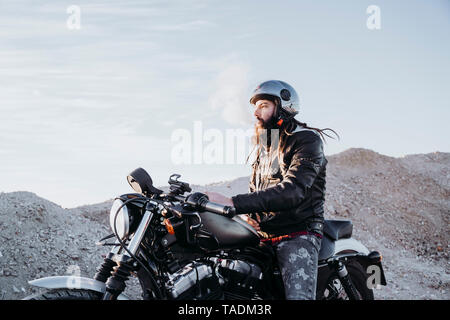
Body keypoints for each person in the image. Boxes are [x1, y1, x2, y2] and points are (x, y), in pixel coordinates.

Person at [205, 80, 338, 300]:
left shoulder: (306, 140)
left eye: (264, 105)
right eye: (255, 107)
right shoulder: (266, 144)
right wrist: (251, 216)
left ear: (283, 107)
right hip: (264, 235)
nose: (256, 112)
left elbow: (292, 191)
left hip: (297, 233)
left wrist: (233, 203)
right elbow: (259, 189)